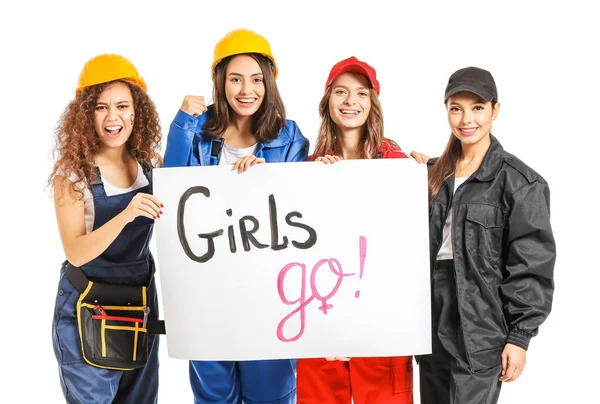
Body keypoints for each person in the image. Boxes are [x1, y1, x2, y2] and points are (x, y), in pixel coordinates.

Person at [164, 28, 308, 404]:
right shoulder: (195, 131)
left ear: (270, 83)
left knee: (272, 395)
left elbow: (302, 209)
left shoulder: (289, 137)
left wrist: (264, 179)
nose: (247, 90)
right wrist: (180, 125)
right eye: (235, 79)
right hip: (206, 295)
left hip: (270, 296)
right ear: (219, 82)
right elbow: (172, 195)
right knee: (214, 397)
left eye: (257, 79)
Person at [419, 66, 556, 404]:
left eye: (477, 107)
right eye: (456, 107)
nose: (466, 119)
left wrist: (520, 337)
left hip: (481, 323)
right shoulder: (430, 174)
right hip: (427, 317)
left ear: (495, 109)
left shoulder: (521, 183)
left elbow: (531, 264)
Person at [295, 56, 414, 404]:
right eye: (341, 92)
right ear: (327, 101)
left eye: (361, 94)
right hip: (322, 324)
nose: (351, 102)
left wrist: (427, 171)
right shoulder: (305, 170)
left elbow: (408, 250)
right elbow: (295, 257)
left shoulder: (397, 167)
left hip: (381, 327)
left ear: (372, 104)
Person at [49, 54, 163, 403]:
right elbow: (76, 252)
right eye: (100, 107)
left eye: (122, 106)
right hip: (87, 309)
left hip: (140, 309)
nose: (113, 118)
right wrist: (126, 214)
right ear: (86, 115)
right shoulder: (72, 176)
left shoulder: (151, 165)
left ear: (136, 111)